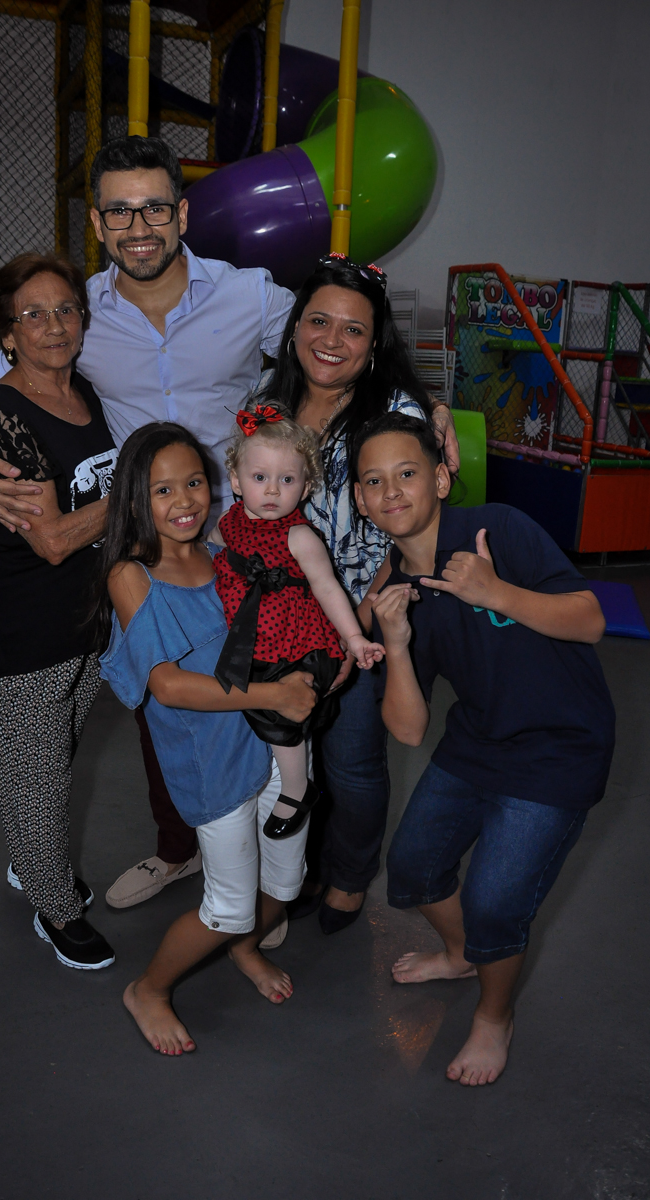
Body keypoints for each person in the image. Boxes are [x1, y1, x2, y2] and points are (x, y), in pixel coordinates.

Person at [0, 134, 298, 912]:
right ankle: (181, 850)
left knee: (267, 694)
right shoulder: (77, 314)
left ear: (182, 212)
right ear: (98, 224)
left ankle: (275, 876)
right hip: (143, 553)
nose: (138, 227)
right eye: (118, 212)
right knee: (164, 709)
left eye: (153, 208)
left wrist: (415, 409)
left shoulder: (249, 295)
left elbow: (332, 343)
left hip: (240, 541)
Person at [352, 411, 615, 1086]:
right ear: (360, 500)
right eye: (374, 481)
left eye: (407, 473)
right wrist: (397, 647)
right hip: (477, 741)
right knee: (413, 867)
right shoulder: (391, 592)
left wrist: (493, 590)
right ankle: (462, 954)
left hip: (559, 746)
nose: (391, 491)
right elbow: (409, 730)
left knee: (496, 902)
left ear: (440, 479)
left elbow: (589, 620)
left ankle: (495, 1015)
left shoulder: (495, 528)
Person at [97, 422, 317, 1054]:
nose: (184, 500)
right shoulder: (132, 575)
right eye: (162, 489)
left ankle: (243, 950)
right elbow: (167, 685)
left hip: (271, 745)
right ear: (136, 498)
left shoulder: (223, 550)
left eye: (194, 482)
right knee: (228, 906)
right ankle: (149, 989)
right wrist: (275, 696)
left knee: (286, 881)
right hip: (211, 766)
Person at [257, 252, 449, 934]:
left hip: (362, 617)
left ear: (374, 346)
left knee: (351, 761)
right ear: (293, 328)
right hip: (276, 622)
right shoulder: (264, 406)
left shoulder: (395, 413)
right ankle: (299, 869)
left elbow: (402, 535)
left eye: (353, 329)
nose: (331, 340)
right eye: (319, 321)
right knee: (285, 756)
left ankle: (347, 877)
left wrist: (352, 633)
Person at [0, 252, 117, 970]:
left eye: (66, 310)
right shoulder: (5, 415)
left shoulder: (83, 391)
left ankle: (33, 861)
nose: (54, 326)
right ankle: (54, 909)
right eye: (34, 315)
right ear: (8, 335)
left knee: (56, 755)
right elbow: (52, 540)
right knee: (35, 773)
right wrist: (134, 495)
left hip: (84, 616)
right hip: (23, 620)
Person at [211, 402, 384, 839]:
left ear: (306, 487)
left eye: (287, 480)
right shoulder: (229, 523)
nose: (272, 490)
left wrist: (353, 637)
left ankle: (296, 788)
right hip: (246, 639)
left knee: (280, 718)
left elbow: (328, 588)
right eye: (259, 478)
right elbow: (206, 556)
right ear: (236, 481)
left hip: (292, 644)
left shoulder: (300, 536)